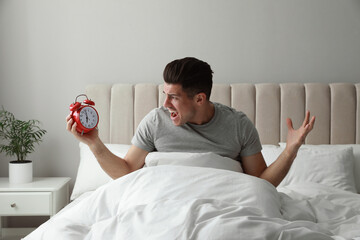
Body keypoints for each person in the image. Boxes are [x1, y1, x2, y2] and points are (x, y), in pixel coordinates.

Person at [66, 57, 315, 187]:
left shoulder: (238, 125)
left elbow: (261, 183)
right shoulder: (155, 122)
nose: (165, 104)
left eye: (173, 97)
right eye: (165, 95)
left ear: (199, 98)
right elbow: (128, 173)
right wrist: (94, 143)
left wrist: (290, 151)